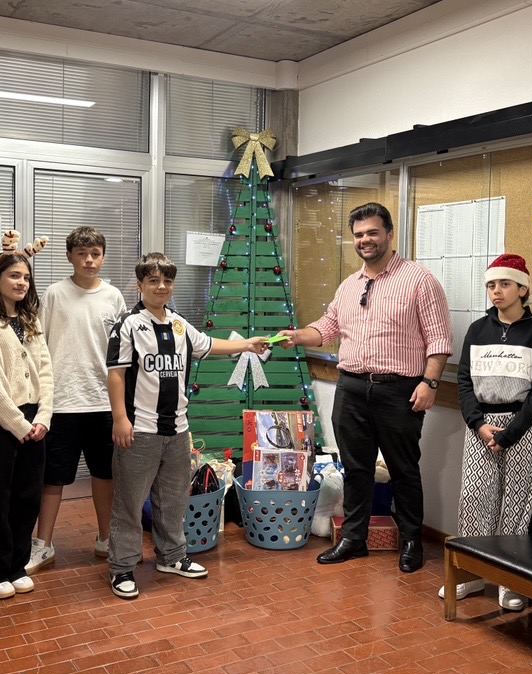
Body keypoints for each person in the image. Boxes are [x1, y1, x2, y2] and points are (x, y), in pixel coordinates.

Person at [276, 202, 452, 573]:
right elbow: (326, 328)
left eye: (372, 232)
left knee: (404, 470)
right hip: (352, 389)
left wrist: (430, 382)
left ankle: (411, 542)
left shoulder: (419, 280)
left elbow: (438, 340)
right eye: (358, 235)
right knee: (356, 469)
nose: (365, 240)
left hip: (399, 391)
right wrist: (296, 336)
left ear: (389, 234)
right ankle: (354, 540)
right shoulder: (349, 285)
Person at [105, 252, 266, 599]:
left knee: (173, 499)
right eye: (153, 281)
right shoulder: (128, 325)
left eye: (166, 281)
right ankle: (122, 568)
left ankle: (172, 556)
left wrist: (247, 345)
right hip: (140, 431)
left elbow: (209, 345)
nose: (161, 287)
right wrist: (120, 418)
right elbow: (116, 376)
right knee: (129, 504)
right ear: (140, 285)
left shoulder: (179, 324)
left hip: (177, 431)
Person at [446, 253, 532, 610]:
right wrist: (478, 424)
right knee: (476, 497)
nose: (497, 291)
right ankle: (471, 575)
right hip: (481, 426)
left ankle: (511, 581)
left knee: (516, 503)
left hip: (522, 427)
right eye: (491, 285)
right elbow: (464, 381)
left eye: (505, 284)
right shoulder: (478, 329)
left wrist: (509, 434)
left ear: (522, 288)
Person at [27, 227, 127, 573]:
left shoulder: (114, 297)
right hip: (62, 401)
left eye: (95, 253)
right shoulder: (54, 294)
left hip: (103, 401)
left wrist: (123, 407)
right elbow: (37, 344)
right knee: (52, 477)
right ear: (69, 256)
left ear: (103, 256)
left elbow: (123, 352)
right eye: (82, 254)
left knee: (104, 474)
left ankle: (105, 539)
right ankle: (43, 544)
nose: (89, 260)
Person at [0, 235, 53, 599]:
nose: (21, 283)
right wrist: (19, 425)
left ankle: (16, 564)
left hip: (35, 421)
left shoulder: (30, 320)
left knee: (27, 497)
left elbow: (46, 371)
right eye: (14, 276)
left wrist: (44, 416)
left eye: (26, 278)